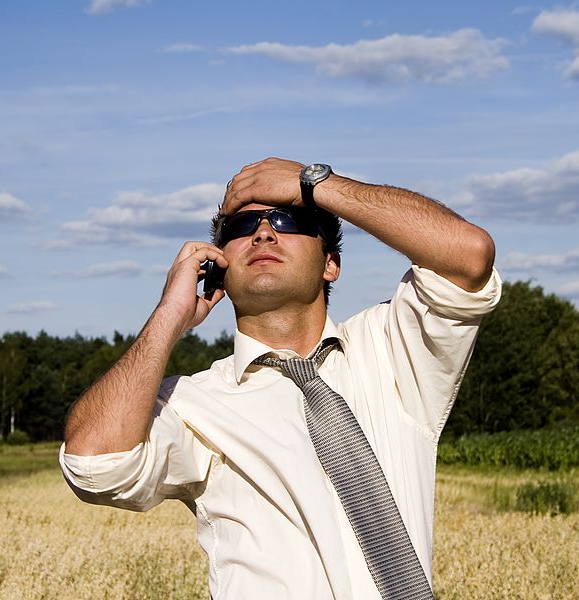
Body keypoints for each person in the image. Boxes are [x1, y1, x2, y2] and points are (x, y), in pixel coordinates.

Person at [60, 157, 502, 599]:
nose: (263, 233)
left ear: (332, 264)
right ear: (217, 267)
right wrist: (168, 317)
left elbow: (468, 256)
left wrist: (313, 184)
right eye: (242, 227)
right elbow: (95, 463)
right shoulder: (194, 404)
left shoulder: (393, 350)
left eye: (289, 219)